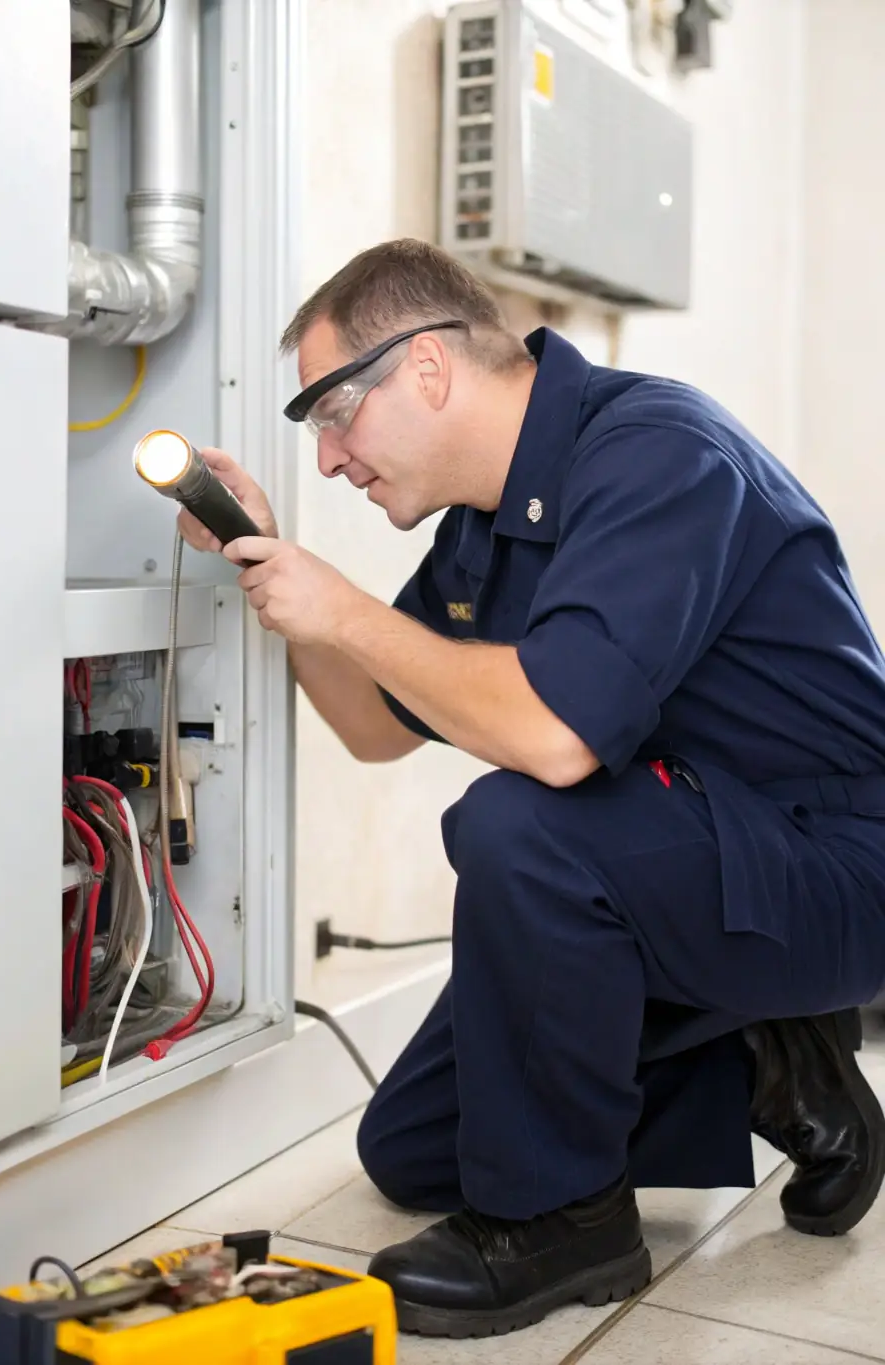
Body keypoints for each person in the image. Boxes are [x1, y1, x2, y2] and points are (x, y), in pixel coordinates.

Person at [177, 238, 885, 1341]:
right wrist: (273, 567)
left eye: (329, 413)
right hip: (696, 863)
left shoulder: (659, 454)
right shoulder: (485, 528)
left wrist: (347, 607)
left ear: (423, 368)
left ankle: (565, 1223)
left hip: (830, 866)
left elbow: (554, 740)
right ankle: (760, 1048)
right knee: (410, 1150)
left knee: (519, 822)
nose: (327, 461)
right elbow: (372, 726)